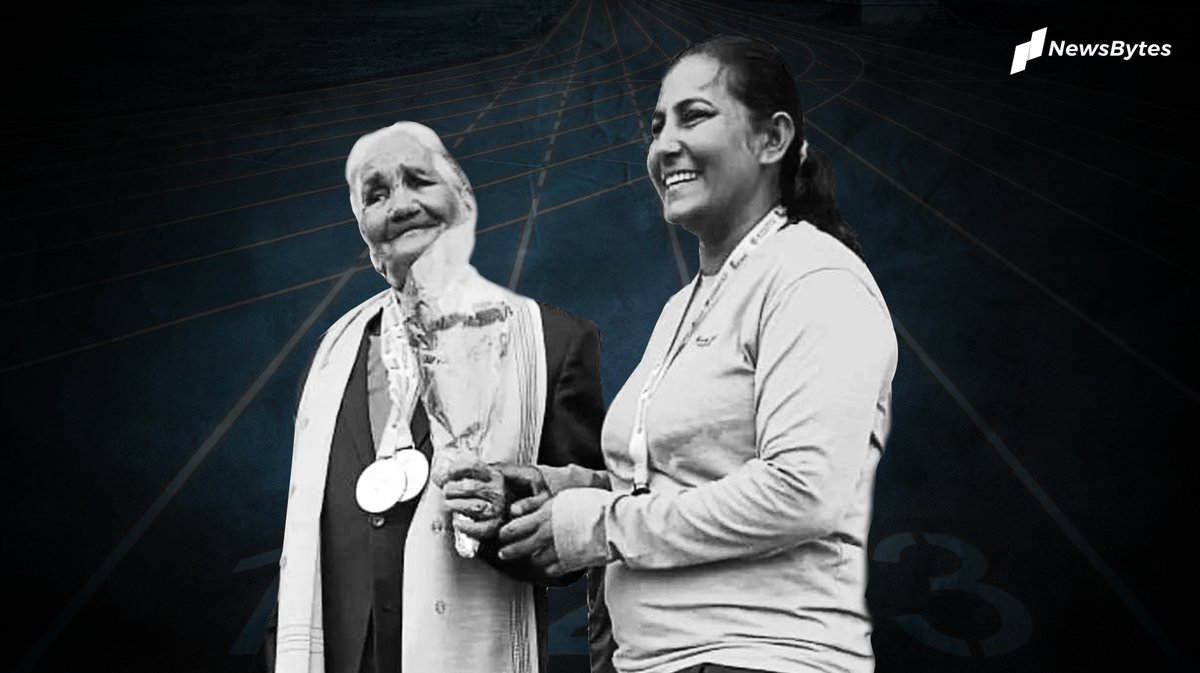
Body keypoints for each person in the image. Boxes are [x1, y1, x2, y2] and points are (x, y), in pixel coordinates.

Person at [496, 35, 898, 673]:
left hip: (760, 659)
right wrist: (569, 489)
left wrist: (596, 525)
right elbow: (680, 483)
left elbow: (801, 492)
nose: (664, 145)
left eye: (695, 116)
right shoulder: (682, 306)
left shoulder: (815, 278)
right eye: (657, 126)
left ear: (772, 138)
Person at [267, 121, 606, 673]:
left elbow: (581, 541)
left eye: (418, 181)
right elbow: (303, 550)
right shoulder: (330, 357)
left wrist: (502, 514)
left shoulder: (556, 343)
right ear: (361, 225)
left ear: (462, 197)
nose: (401, 205)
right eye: (376, 194)